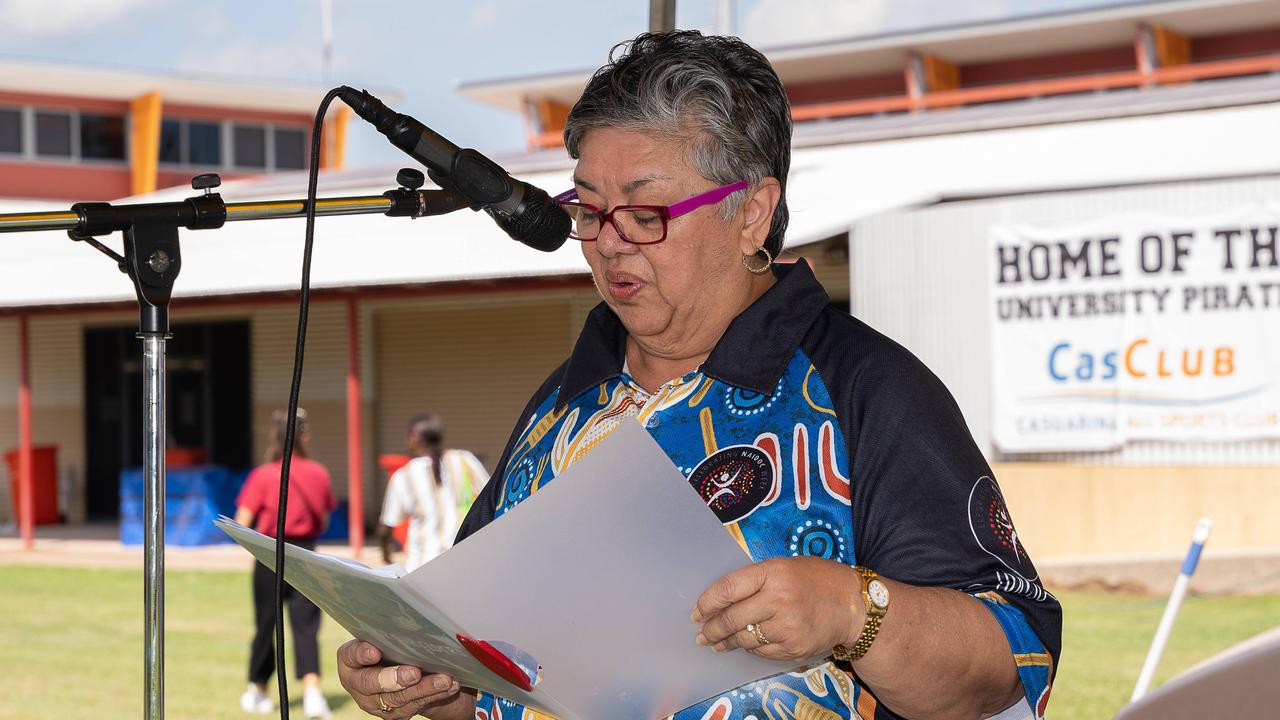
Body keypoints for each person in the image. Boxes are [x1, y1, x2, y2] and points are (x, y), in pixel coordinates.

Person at [336, 30, 1061, 720]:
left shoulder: (866, 388)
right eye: (589, 208)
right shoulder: (560, 405)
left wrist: (852, 611)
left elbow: (1012, 664)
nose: (609, 245)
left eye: (647, 213)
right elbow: (492, 669)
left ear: (752, 212)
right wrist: (430, 683)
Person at [235, 408, 337, 719]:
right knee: (306, 626)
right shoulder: (319, 473)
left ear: (273, 437)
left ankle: (259, 690)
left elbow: (243, 520)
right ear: (303, 435)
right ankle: (312, 693)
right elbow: (324, 518)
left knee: (267, 624)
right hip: (306, 554)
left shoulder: (264, 474)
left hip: (269, 553)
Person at [378, 413, 488, 570]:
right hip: (464, 561)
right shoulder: (464, 459)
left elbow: (386, 526)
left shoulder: (404, 475)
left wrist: (385, 553)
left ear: (414, 438)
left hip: (421, 566)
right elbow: (492, 497)